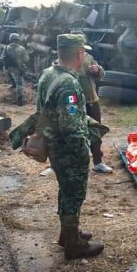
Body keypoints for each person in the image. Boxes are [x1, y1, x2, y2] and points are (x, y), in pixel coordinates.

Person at [37, 33, 104, 259]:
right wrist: (83, 151)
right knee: (73, 194)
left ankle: (68, 233)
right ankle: (73, 245)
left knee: (65, 191)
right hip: (68, 150)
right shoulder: (69, 84)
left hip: (54, 146)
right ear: (79, 53)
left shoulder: (49, 74)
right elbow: (71, 127)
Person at [76, 39, 113, 173]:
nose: (83, 52)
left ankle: (98, 161)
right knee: (76, 133)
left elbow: (101, 74)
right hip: (75, 103)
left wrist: (97, 70)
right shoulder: (66, 60)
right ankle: (78, 164)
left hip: (92, 100)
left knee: (96, 132)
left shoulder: (89, 58)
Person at [4, 33, 28, 106]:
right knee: (20, 84)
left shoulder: (6, 48)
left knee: (13, 81)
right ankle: (19, 100)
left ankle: (12, 84)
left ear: (10, 40)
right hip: (17, 69)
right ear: (17, 40)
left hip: (7, 69)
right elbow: (26, 59)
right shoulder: (21, 48)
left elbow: (3, 58)